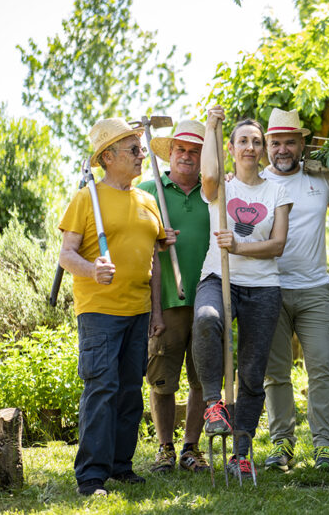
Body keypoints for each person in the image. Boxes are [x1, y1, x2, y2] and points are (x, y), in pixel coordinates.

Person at [59, 118, 172, 496]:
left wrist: (156, 311)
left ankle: (121, 466)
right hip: (99, 311)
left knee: (128, 391)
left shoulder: (147, 199)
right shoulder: (85, 198)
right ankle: (91, 475)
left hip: (138, 312)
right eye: (134, 150)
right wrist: (92, 269)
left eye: (141, 149)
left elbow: (154, 262)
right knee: (101, 388)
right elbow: (66, 255)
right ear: (107, 157)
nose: (142, 155)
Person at [192, 107, 292, 478]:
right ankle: (214, 405)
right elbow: (209, 173)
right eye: (243, 141)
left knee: (252, 373)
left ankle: (242, 453)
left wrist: (238, 247)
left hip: (264, 287)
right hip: (220, 278)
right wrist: (211, 126)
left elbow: (278, 244)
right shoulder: (222, 187)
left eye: (256, 141)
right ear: (231, 148)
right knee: (206, 320)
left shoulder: (277, 191)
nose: (250, 147)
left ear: (263, 149)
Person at [260, 109, 329, 471]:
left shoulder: (322, 179)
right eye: (275, 142)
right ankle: (282, 445)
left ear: (303, 145)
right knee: (275, 372)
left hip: (314, 288)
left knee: (323, 365)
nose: (282, 149)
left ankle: (325, 444)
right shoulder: (253, 181)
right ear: (266, 146)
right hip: (267, 289)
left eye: (290, 142)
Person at [138, 120, 209, 474]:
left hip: (208, 300)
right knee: (162, 379)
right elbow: (134, 245)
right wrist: (156, 238)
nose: (186, 156)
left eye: (194, 151)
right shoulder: (150, 190)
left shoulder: (214, 192)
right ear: (170, 154)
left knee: (203, 378)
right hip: (165, 301)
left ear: (202, 157)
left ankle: (191, 449)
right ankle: (165, 448)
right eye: (180, 150)